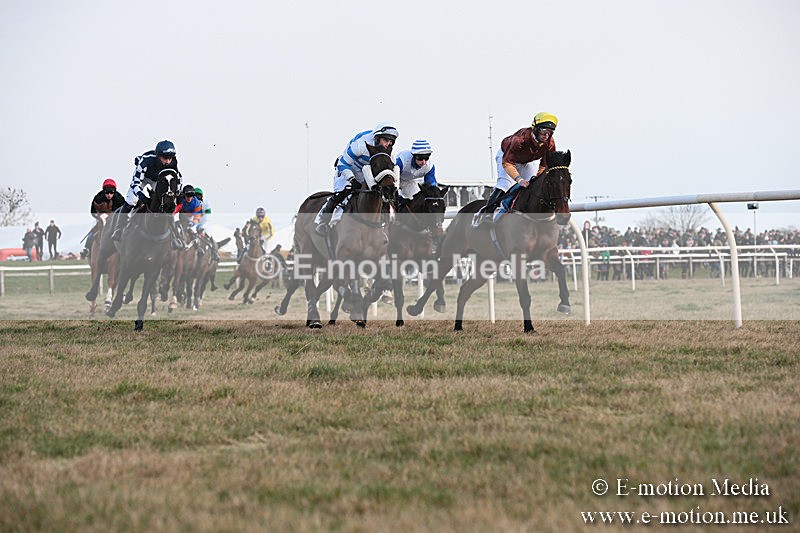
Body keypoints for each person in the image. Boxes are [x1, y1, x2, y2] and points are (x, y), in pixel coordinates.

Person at [473, 112, 558, 226]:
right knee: (504, 185)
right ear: (536, 129)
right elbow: (507, 163)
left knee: (532, 185)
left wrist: (538, 178)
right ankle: (486, 214)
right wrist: (519, 180)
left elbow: (544, 164)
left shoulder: (550, 143)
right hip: (506, 158)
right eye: (544, 131)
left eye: (550, 132)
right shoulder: (520, 140)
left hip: (526, 161)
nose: (547, 135)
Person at [315, 122, 399, 235]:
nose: (387, 145)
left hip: (367, 170)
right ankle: (323, 221)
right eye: (385, 140)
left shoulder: (388, 151)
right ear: (377, 138)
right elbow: (342, 164)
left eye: (391, 142)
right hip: (349, 167)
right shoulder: (361, 145)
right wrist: (352, 180)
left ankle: (383, 226)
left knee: (379, 193)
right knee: (343, 193)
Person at [111, 140, 181, 241]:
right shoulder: (145, 161)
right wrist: (141, 195)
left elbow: (179, 180)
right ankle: (119, 229)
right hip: (142, 179)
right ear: (158, 156)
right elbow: (135, 183)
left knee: (166, 202)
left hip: (157, 181)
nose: (167, 162)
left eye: (170, 158)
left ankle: (175, 236)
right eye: (165, 158)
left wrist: (176, 193)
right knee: (131, 201)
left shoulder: (173, 163)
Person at [84, 178, 125, 257]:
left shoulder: (119, 198)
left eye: (111, 192)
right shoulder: (98, 198)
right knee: (92, 230)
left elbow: (124, 211)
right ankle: (87, 248)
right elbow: (92, 211)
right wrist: (98, 216)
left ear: (114, 192)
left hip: (115, 220)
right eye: (107, 192)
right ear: (104, 191)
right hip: (101, 218)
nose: (109, 195)